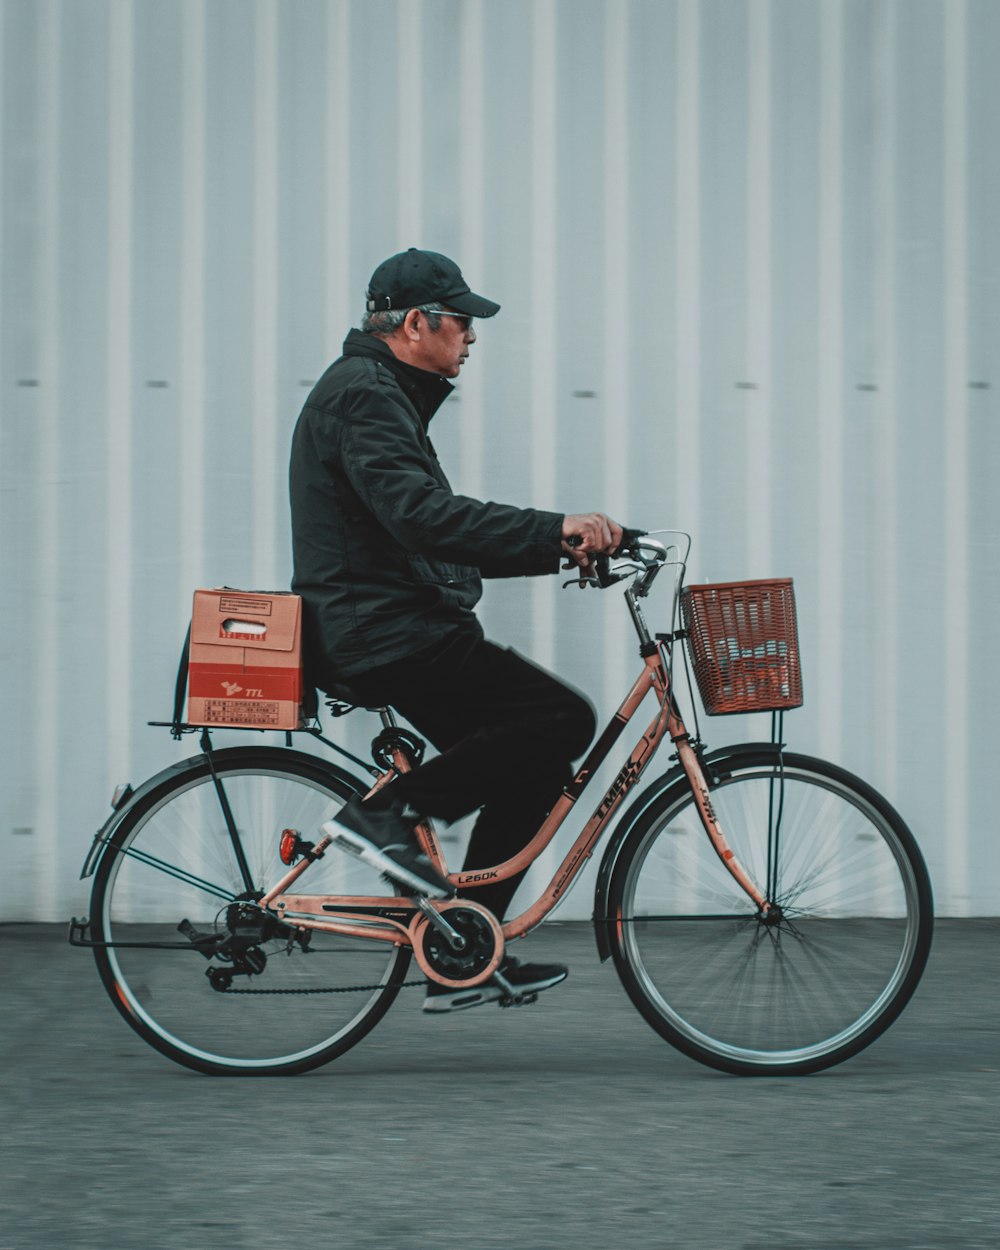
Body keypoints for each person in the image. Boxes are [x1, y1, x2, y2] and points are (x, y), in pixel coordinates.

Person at [289, 247, 622, 1012]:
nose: (472, 337)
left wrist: (563, 544)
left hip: (393, 624)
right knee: (560, 716)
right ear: (416, 324)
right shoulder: (365, 396)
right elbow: (423, 517)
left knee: (535, 761)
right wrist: (555, 532)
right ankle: (381, 817)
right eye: (462, 321)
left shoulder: (381, 392)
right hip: (383, 632)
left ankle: (464, 952)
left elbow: (418, 521)